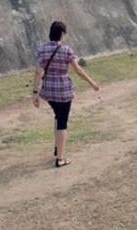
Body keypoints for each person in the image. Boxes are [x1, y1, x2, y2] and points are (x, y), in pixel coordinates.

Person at [32, 21, 99, 167]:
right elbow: (78, 70)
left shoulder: (41, 49)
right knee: (62, 122)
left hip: (48, 91)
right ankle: (60, 158)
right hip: (63, 92)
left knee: (57, 118)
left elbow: (38, 71)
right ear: (62, 34)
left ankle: (58, 149)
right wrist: (92, 83)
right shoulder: (67, 50)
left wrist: (35, 93)